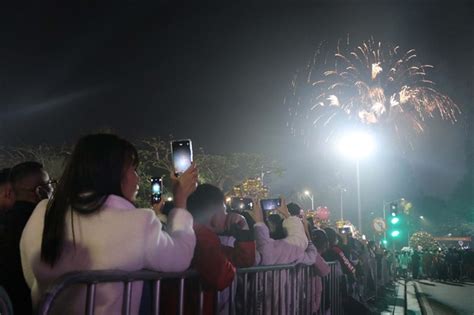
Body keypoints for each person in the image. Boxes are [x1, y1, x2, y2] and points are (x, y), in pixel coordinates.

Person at [20, 134, 198, 314]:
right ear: (114, 172)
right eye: (133, 169)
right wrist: (181, 200)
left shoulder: (44, 212)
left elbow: (31, 275)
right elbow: (180, 256)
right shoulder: (138, 222)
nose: (137, 178)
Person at [159, 184, 255, 315]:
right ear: (215, 215)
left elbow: (244, 260)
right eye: (224, 211)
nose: (227, 215)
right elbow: (222, 277)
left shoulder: (199, 239)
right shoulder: (202, 239)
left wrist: (243, 229)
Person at [0, 161, 53, 315]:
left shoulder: (6, 224)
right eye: (50, 184)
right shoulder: (49, 225)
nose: (53, 189)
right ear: (40, 191)